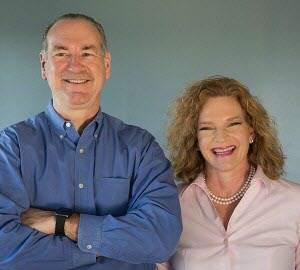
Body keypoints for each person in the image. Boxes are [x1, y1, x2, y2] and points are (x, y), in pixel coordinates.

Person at [0, 13, 182, 270]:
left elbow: (161, 239)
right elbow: (3, 245)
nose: (75, 66)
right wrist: (105, 248)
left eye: (87, 53)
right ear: (43, 65)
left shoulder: (140, 147)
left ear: (106, 65)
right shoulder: (12, 147)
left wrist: (62, 223)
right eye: (61, 54)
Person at [157, 76, 300, 270]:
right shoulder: (171, 205)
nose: (221, 137)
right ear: (195, 139)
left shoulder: (295, 202)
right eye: (206, 128)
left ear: (251, 131)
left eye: (233, 124)